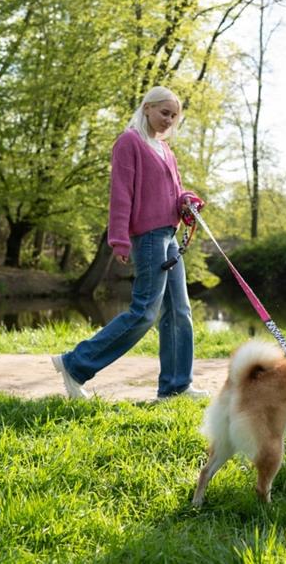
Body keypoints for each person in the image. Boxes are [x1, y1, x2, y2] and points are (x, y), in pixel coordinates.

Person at [52, 86, 208, 400]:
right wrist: (119, 239)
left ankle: (176, 385)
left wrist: (186, 200)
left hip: (170, 237)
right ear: (147, 108)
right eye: (164, 112)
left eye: (174, 116)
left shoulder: (166, 150)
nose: (169, 120)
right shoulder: (129, 142)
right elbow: (121, 194)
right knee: (144, 312)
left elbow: (173, 194)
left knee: (180, 311)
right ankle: (75, 364)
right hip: (148, 239)